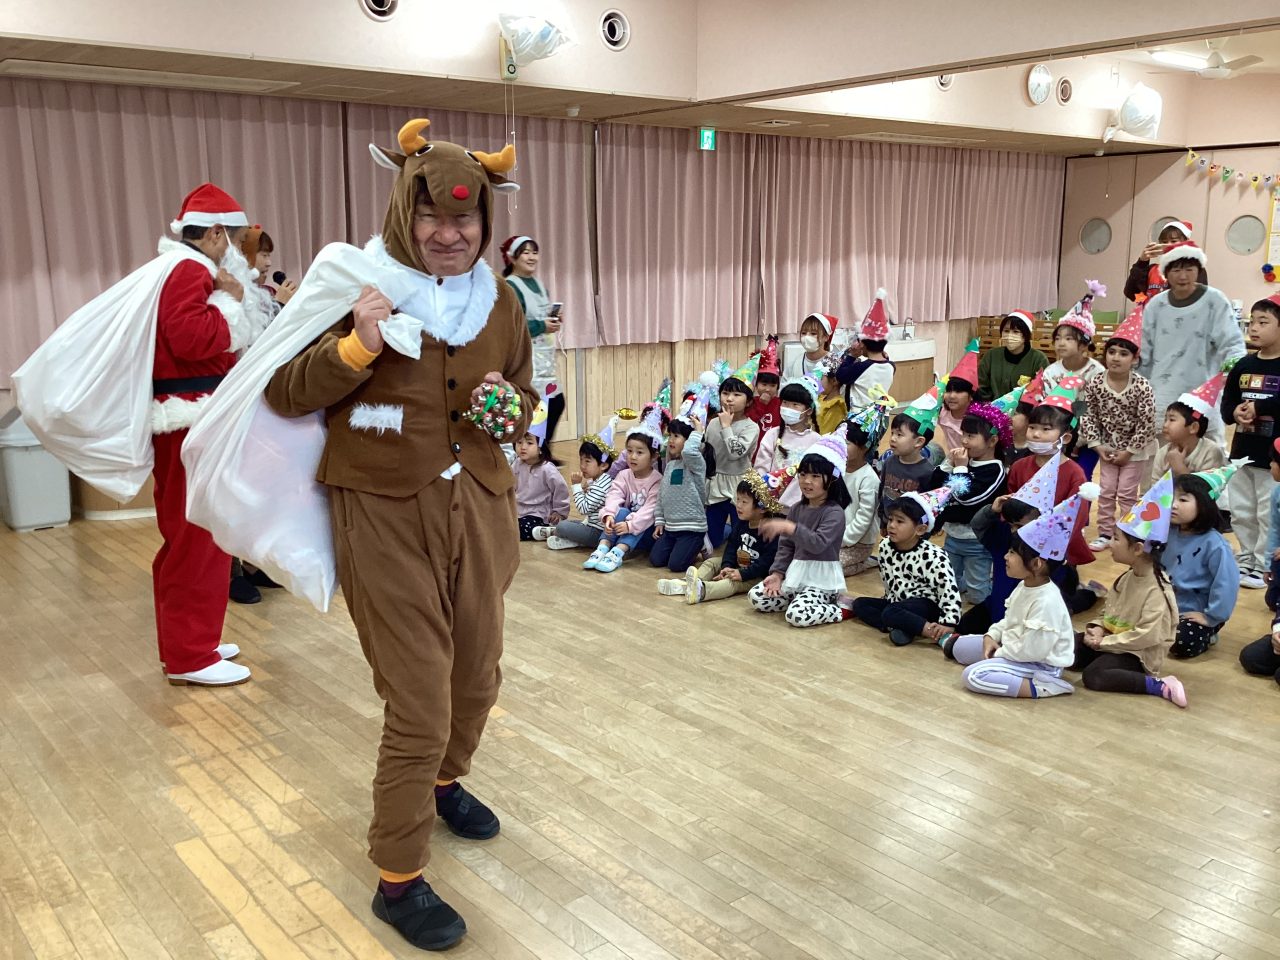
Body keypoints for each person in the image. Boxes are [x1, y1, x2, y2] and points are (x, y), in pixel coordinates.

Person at [263, 119, 535, 950]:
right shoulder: (356, 286)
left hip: (478, 507)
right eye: (431, 217)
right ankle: (398, 876)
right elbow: (283, 391)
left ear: (485, 220)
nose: (449, 234)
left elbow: (524, 397)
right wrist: (356, 346)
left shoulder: (501, 302)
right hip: (381, 511)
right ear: (402, 213)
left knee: (476, 680)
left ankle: (446, 783)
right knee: (419, 700)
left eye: (465, 218)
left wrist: (511, 408)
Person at [148, 185, 261, 686]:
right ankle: (190, 656)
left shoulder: (180, 268)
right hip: (188, 417)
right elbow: (191, 339)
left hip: (188, 417)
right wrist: (232, 302)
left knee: (195, 534)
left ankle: (192, 642)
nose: (237, 250)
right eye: (235, 239)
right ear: (215, 233)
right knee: (197, 535)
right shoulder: (190, 270)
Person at [946, 492, 1086, 700]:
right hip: (1016, 647)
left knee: (973, 676)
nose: (1005, 556)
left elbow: (1033, 651)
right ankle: (1001, 664)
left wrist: (999, 652)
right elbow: (1010, 619)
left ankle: (1046, 685)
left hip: (1039, 663)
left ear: (1036, 564)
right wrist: (991, 636)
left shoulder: (1047, 601)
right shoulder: (1025, 585)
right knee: (959, 648)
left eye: (1012, 553)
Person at [1071, 474, 1187, 707]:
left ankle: (1160, 685)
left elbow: (1146, 636)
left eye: (1116, 539)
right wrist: (1098, 628)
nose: (1110, 544)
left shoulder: (1158, 591)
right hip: (1111, 641)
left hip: (1136, 654)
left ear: (1137, 549)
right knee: (1066, 644)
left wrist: (1103, 643)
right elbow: (1109, 611)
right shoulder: (1127, 576)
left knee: (1095, 676)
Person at [1137, 242, 1244, 441]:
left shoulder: (1215, 301)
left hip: (1203, 391)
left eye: (1189, 269)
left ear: (1199, 270)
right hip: (1163, 392)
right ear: (1166, 273)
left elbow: (1232, 344)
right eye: (1176, 270)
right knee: (1161, 451)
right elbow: (1144, 351)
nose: (1183, 276)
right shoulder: (1156, 306)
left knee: (1207, 450)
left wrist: (1230, 374)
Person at [749, 437, 852, 627]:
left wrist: (788, 527)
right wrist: (777, 574)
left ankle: (841, 608)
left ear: (832, 479)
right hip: (795, 575)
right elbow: (786, 546)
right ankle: (798, 599)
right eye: (803, 474)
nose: (806, 481)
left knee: (797, 615)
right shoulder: (797, 508)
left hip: (821, 581)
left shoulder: (834, 512)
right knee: (757, 597)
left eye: (815, 476)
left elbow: (817, 544)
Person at [1077, 308, 1156, 551]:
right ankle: (1105, 533)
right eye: (1111, 352)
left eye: (1123, 353)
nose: (1116, 358)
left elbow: (1147, 422)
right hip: (1107, 449)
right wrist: (1097, 445)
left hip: (1135, 451)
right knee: (1107, 491)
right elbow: (1086, 414)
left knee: (1128, 493)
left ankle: (1128, 534)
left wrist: (1129, 451)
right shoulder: (1095, 383)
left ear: (1134, 359)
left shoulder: (1142, 386)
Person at [847, 486, 963, 646]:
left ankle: (932, 632)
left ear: (920, 529)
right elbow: (888, 580)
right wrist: (889, 600)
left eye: (900, 521)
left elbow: (948, 591)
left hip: (926, 604)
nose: (891, 525)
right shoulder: (885, 546)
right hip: (898, 602)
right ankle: (900, 626)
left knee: (891, 611)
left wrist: (949, 622)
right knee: (860, 604)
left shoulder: (934, 555)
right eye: (891, 519)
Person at [1221, 296, 1280, 589]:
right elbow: (1227, 403)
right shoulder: (1243, 365)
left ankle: (1264, 564)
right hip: (1243, 453)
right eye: (1252, 321)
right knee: (1242, 511)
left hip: (1273, 459)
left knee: (1268, 514)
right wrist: (1234, 412)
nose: (1254, 328)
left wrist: (1260, 407)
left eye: (1263, 322)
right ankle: (1246, 558)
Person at [663, 471, 785, 603]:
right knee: (711, 563)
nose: (738, 505)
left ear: (762, 508)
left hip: (756, 575)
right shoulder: (742, 523)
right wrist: (727, 565)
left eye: (744, 502)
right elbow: (731, 546)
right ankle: (686, 584)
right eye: (738, 499)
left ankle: (701, 591)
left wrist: (742, 574)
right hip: (738, 565)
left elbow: (767, 562)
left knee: (731, 583)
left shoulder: (772, 531)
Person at [936, 402, 1010, 605]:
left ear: (992, 440)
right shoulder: (964, 461)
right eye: (963, 434)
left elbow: (966, 498)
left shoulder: (995, 470)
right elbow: (936, 488)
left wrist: (960, 468)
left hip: (977, 541)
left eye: (971, 436)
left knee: (978, 596)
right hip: (953, 536)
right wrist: (948, 464)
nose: (964, 441)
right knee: (948, 584)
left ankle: (996, 594)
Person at [1166, 466, 1241, 659]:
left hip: (1194, 611)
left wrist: (1211, 616)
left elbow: (1226, 584)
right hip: (1162, 605)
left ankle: (1208, 632)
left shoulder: (1215, 544)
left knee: (1183, 642)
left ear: (1204, 505)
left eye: (1183, 500)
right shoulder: (1165, 532)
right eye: (1172, 498)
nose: (1173, 505)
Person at [501, 235, 565, 454]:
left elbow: (539, 313)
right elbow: (512, 325)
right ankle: (528, 453)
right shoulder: (510, 286)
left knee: (555, 403)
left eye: (534, 252)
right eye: (526, 252)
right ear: (513, 258)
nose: (531, 257)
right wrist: (540, 325)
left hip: (545, 356)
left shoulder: (538, 284)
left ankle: (542, 452)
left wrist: (553, 319)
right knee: (535, 407)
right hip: (526, 356)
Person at [585, 409, 666, 573]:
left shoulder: (657, 480)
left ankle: (618, 552)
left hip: (646, 530)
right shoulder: (624, 475)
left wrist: (630, 525)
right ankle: (603, 547)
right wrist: (609, 515)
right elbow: (614, 495)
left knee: (638, 518)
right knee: (620, 511)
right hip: (624, 526)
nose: (633, 456)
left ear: (654, 456)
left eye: (639, 452)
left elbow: (649, 511)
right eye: (629, 451)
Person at [1238, 439, 1280, 685]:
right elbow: (1274, 529)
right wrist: (1268, 564)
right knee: (1252, 658)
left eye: (1274, 461)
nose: (1270, 465)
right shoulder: (1276, 493)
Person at [705, 369, 761, 548]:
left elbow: (735, 453)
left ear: (749, 401)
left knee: (740, 534)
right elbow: (707, 452)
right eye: (725, 393)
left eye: (737, 395)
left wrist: (726, 427)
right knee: (713, 538)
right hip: (715, 482)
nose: (729, 399)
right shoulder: (713, 423)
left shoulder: (751, 427)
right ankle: (726, 533)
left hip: (739, 484)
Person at [650, 417, 709, 573]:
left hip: (692, 529)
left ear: (689, 440)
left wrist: (698, 431)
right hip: (671, 528)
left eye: (676, 436)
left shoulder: (696, 463)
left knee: (676, 566)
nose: (671, 440)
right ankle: (686, 548)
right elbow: (662, 496)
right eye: (670, 435)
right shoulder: (670, 465)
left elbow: (689, 452)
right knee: (656, 560)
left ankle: (700, 543)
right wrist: (660, 520)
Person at [545, 423, 616, 550]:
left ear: (604, 465)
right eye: (581, 460)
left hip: (598, 533)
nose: (582, 466)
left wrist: (576, 486)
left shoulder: (601, 485)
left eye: (587, 461)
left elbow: (583, 509)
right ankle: (566, 536)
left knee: (562, 526)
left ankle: (567, 536)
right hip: (591, 525)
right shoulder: (600, 480)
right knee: (567, 523)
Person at [878, 386, 941, 525]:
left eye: (899, 434)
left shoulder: (927, 472)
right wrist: (883, 519)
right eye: (892, 433)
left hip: (912, 529)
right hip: (890, 523)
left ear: (919, 442)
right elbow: (882, 491)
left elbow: (930, 506)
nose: (893, 438)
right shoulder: (889, 461)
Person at [755, 379, 821, 508]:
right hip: (771, 505)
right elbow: (760, 468)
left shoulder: (817, 441)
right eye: (785, 403)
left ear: (809, 410)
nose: (788, 408)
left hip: (803, 507)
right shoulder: (772, 434)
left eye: (795, 405)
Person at [835, 289, 896, 413]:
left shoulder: (861, 367)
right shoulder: (891, 366)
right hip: (879, 415)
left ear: (862, 343)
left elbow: (841, 376)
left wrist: (851, 356)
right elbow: (879, 369)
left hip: (859, 418)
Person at [514, 407, 570, 541]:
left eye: (529, 443)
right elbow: (510, 486)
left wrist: (559, 512)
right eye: (519, 442)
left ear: (540, 447)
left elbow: (560, 490)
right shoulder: (516, 464)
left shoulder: (547, 469)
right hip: (517, 511)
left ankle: (548, 531)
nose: (523, 447)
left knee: (519, 529)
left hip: (539, 514)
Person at [1151, 380, 1226, 480]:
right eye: (1165, 420)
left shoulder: (1211, 453)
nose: (1165, 425)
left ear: (1193, 427)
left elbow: (1205, 488)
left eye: (1172, 420)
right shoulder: (1163, 453)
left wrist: (1179, 468)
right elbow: (1155, 486)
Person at [1122, 219, 1205, 302]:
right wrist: (1142, 262)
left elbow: (1196, 299)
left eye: (1173, 241)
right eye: (1164, 242)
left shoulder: (1194, 270)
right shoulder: (1152, 270)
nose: (1168, 245)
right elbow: (1131, 294)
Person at [841, 417, 882, 577]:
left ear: (864, 447)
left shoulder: (868, 479)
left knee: (830, 568)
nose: (841, 446)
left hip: (858, 543)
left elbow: (864, 519)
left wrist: (842, 540)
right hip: (833, 537)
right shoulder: (837, 468)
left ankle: (865, 562)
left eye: (847, 443)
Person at [978, 311, 1048, 402]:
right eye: (1006, 331)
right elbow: (981, 386)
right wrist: (989, 406)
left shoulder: (1038, 359)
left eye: (1016, 332)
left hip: (1025, 409)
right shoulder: (991, 355)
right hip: (992, 408)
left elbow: (1042, 391)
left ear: (1026, 335)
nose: (1010, 335)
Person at [936, 339, 980, 461]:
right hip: (952, 459)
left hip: (975, 462)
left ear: (971, 395)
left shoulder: (979, 419)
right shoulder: (942, 412)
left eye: (959, 391)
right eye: (948, 391)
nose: (952, 396)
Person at [746, 336, 782, 443]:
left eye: (772, 385)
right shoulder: (750, 402)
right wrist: (761, 404)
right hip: (754, 445)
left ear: (778, 386)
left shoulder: (780, 403)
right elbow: (748, 423)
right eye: (764, 384)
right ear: (756, 385)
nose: (767, 389)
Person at [782, 313, 838, 381]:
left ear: (826, 337)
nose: (807, 337)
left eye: (813, 333)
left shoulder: (834, 363)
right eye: (803, 333)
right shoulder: (794, 365)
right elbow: (784, 385)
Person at [816, 363, 848, 434]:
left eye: (821, 379)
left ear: (834, 381)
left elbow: (827, 432)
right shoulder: (821, 397)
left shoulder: (836, 405)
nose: (818, 382)